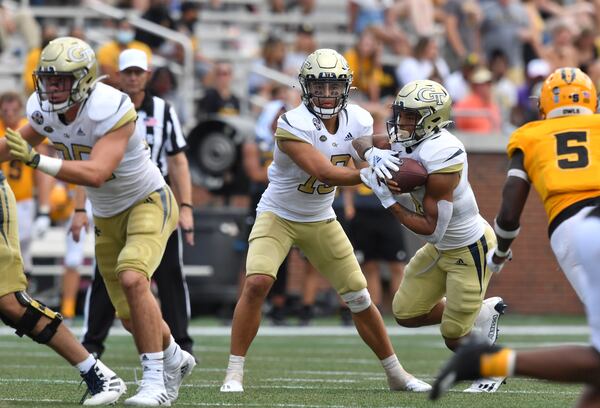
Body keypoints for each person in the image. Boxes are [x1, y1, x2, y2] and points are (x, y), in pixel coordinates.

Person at [220, 48, 430, 394]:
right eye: (320, 86)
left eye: (334, 87)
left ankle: (396, 373)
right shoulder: (291, 122)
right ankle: (233, 372)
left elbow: (362, 144)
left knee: (359, 297)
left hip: (320, 217)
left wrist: (376, 151)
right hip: (279, 214)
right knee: (257, 282)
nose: (328, 94)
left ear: (346, 87)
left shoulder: (360, 119)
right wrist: (367, 175)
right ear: (306, 88)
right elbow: (322, 171)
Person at [1, 36, 194, 405]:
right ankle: (173, 357)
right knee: (129, 315)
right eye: (48, 79)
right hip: (107, 213)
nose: (53, 88)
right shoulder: (45, 110)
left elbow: (97, 172)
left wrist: (39, 160)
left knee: (134, 277)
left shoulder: (111, 106)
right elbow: (10, 146)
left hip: (148, 200)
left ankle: (154, 382)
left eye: (62, 80)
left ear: (85, 79)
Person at [428, 67, 600, 404]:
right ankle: (490, 360)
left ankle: (493, 360)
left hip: (574, 231)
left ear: (544, 106)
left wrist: (501, 252)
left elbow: (509, 208)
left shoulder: (532, 134)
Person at [354, 79, 507, 393]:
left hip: (468, 248)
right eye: (401, 113)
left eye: (410, 116)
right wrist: (372, 155)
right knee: (407, 314)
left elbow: (430, 227)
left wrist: (388, 200)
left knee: (454, 336)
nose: (401, 122)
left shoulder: (445, 153)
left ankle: (495, 367)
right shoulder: (406, 138)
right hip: (441, 247)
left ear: (432, 119)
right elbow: (360, 141)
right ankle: (480, 311)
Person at [79, 48, 196, 358]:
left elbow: (178, 160)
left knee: (169, 272)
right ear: (118, 75)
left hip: (153, 200)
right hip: (112, 202)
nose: (132, 77)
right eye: (127, 72)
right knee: (108, 276)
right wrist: (79, 208)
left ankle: (181, 343)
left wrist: (186, 207)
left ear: (147, 74)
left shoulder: (163, 110)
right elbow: (81, 159)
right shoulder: (102, 108)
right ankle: (92, 343)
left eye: (138, 72)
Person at [0, 91, 53, 278]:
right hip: (2, 199)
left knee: (21, 254)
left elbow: (43, 167)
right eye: (5, 110)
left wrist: (44, 208)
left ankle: (21, 298)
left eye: (13, 110)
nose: (9, 114)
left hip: (21, 201)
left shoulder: (29, 129)